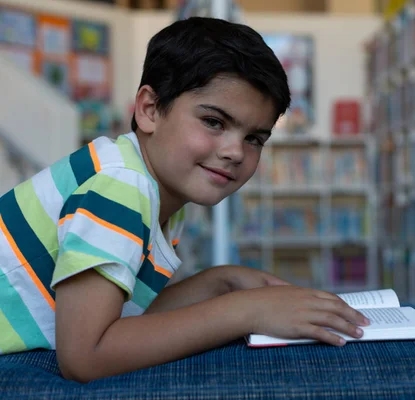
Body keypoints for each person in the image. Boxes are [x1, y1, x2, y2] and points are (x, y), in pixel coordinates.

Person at [0, 17, 369, 382]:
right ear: (149, 110)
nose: (235, 152)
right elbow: (85, 355)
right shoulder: (120, 186)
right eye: (214, 122)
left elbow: (126, 316)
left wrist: (221, 282)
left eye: (255, 138)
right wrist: (244, 310)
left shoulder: (150, 187)